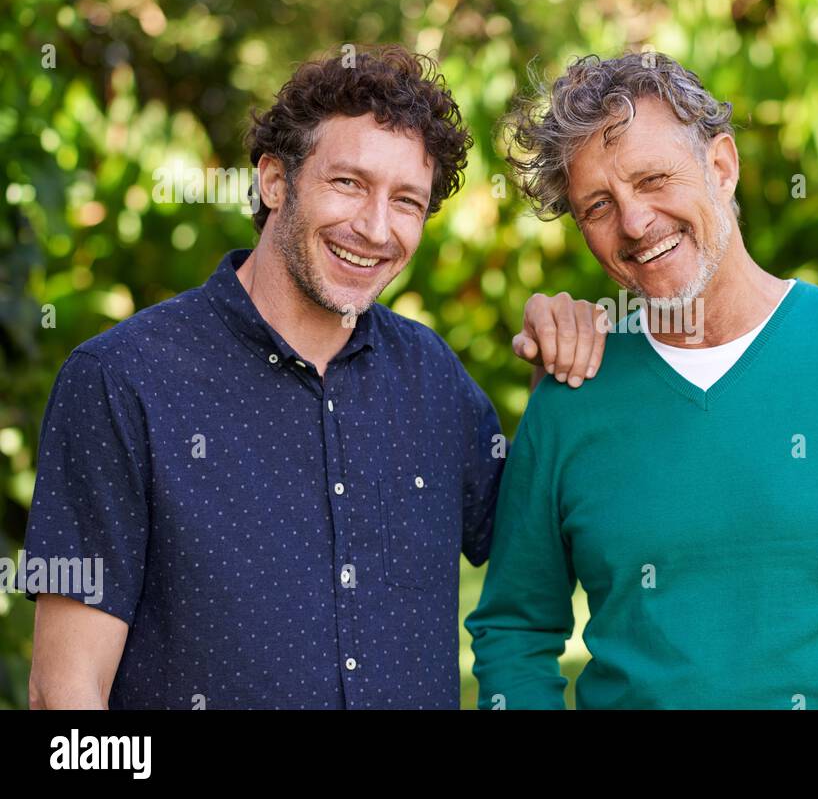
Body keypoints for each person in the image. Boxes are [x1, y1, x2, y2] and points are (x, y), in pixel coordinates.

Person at [24, 45, 604, 709]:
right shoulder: (121, 382)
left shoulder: (431, 378)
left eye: (407, 201)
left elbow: (527, 543)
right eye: (348, 183)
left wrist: (553, 371)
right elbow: (64, 689)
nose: (375, 227)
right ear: (275, 181)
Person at [467, 51, 818, 709]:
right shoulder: (572, 393)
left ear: (722, 166)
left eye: (654, 179)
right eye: (598, 205)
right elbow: (514, 628)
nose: (634, 222)